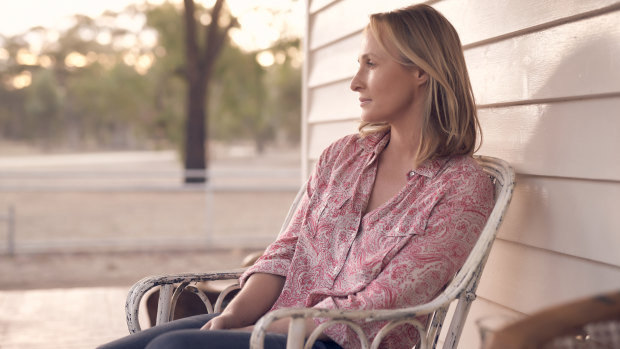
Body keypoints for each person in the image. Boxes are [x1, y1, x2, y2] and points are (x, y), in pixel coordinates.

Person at [99, 4, 494, 349]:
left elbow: (382, 302)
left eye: (371, 64)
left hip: (337, 342)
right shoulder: (343, 156)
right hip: (271, 325)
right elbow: (285, 252)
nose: (356, 81)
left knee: (174, 346)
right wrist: (233, 318)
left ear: (420, 72)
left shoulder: (461, 188)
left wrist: (258, 330)